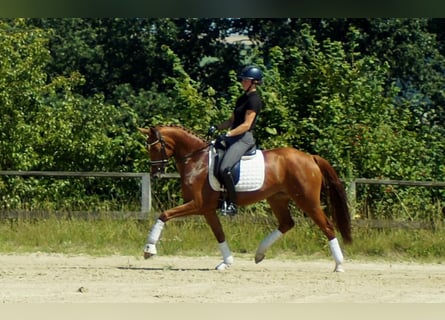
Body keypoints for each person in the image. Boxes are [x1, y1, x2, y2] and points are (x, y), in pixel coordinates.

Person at [207, 65, 264, 215]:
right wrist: (217, 127)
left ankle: (232, 204)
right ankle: (218, 197)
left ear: (254, 82)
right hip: (234, 136)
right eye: (243, 80)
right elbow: (231, 120)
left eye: (246, 80)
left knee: (225, 168)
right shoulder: (242, 98)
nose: (242, 82)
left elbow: (246, 125)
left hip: (244, 139)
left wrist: (228, 134)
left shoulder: (254, 100)